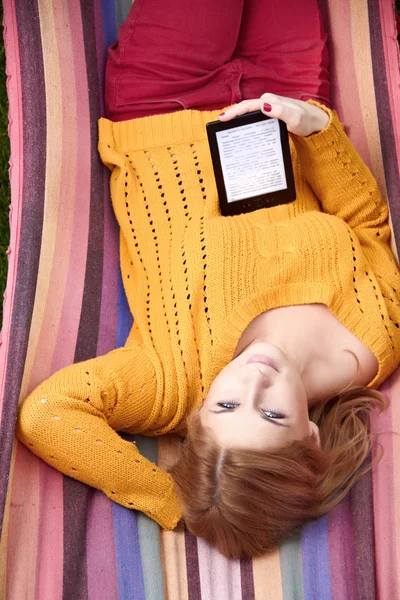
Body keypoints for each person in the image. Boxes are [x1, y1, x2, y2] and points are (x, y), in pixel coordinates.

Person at [16, 0, 400, 559]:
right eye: (273, 414)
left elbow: (47, 415)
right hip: (282, 107)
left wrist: (179, 501)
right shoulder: (378, 342)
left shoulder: (169, 387)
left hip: (162, 101)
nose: (253, 382)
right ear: (311, 439)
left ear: (197, 418)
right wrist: (316, 129)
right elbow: (366, 222)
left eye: (224, 409)